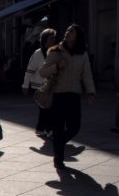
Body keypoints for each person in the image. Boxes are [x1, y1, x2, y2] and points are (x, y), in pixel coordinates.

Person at [39, 24, 96, 169]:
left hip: (74, 95)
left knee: (74, 127)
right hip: (58, 95)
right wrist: (56, 67)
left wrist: (90, 92)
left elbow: (87, 74)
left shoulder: (82, 53)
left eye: (72, 31)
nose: (68, 33)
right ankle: (58, 159)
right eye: (67, 30)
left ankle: (59, 142)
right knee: (58, 128)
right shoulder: (55, 51)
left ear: (78, 36)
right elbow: (43, 72)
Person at [23, 28, 58, 138]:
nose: (53, 41)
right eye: (51, 39)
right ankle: (49, 129)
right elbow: (29, 70)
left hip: (52, 85)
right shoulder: (37, 53)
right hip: (40, 86)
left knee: (47, 108)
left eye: (54, 39)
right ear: (44, 40)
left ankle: (40, 128)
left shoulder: (56, 52)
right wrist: (25, 85)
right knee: (46, 108)